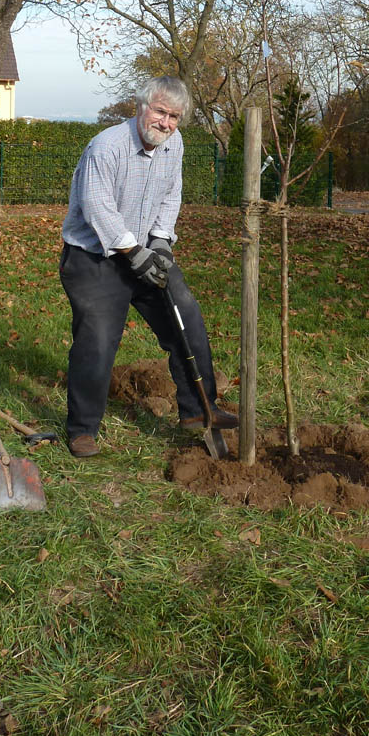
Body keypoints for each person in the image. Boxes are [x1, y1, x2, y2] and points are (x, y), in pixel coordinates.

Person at [59, 76, 238, 457]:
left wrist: (160, 240)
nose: (166, 123)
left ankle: (198, 410)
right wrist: (134, 252)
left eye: (174, 116)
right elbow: (97, 208)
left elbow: (172, 194)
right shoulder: (106, 147)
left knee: (184, 315)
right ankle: (82, 430)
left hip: (145, 252)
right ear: (140, 107)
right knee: (99, 337)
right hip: (95, 258)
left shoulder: (174, 145)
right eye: (160, 111)